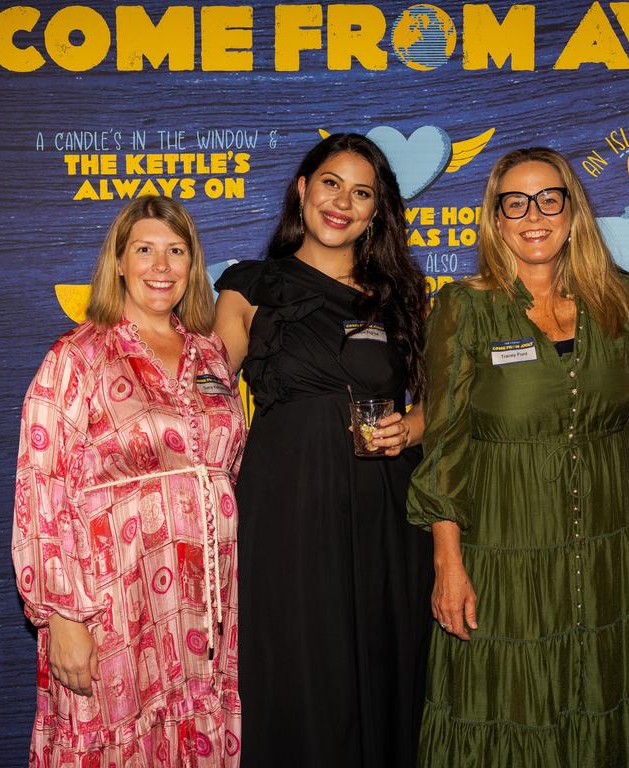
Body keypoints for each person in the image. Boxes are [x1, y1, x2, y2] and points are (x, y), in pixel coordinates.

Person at [407, 147, 629, 766]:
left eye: (549, 198)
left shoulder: (622, 299)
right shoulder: (463, 307)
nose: (534, 215)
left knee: (600, 698)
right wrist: (448, 562)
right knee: (511, 708)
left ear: (573, 211)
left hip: (605, 551)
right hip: (503, 552)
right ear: (495, 218)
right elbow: (444, 440)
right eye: (514, 202)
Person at [212, 133, 432, 767]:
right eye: (331, 183)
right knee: (299, 661)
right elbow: (210, 379)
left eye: (362, 193)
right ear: (303, 189)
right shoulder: (248, 284)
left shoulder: (400, 296)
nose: (343, 202)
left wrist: (408, 431)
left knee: (382, 662)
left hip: (383, 505)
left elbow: (439, 404)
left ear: (376, 210)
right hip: (287, 503)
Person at [12, 196, 245, 766]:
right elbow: (40, 489)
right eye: (144, 250)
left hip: (205, 606)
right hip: (113, 604)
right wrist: (62, 616)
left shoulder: (211, 356)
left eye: (176, 252)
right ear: (118, 263)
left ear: (193, 266)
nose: (161, 267)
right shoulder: (78, 357)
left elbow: (224, 470)